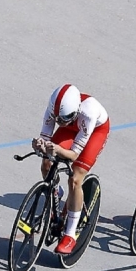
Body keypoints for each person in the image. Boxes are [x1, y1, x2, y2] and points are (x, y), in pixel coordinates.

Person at [32, 84, 109, 255]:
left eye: (63, 120)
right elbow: (45, 140)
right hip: (72, 127)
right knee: (46, 163)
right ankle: (56, 193)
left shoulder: (88, 113)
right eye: (56, 119)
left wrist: (58, 150)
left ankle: (70, 235)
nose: (59, 123)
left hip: (95, 131)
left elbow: (74, 155)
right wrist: (39, 145)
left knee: (75, 179)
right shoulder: (55, 111)